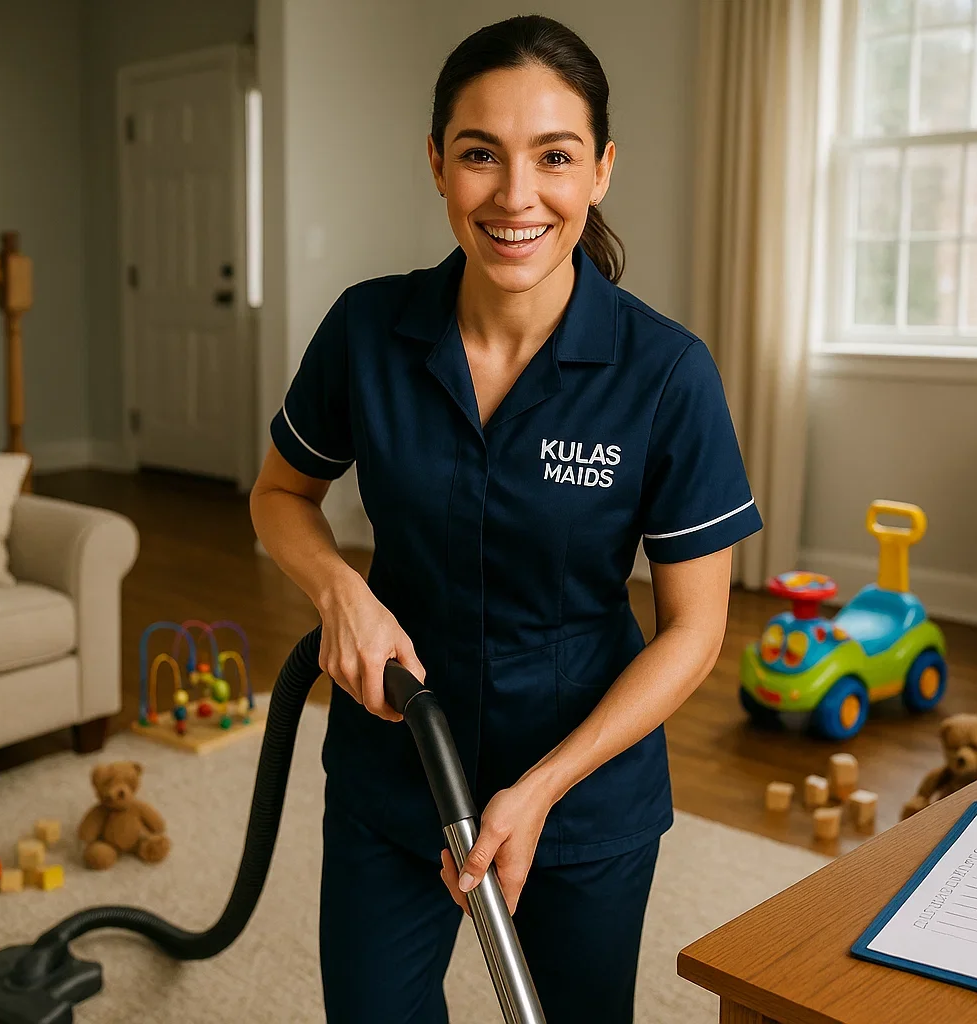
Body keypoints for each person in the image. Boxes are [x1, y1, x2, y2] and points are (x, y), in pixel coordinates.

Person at [249, 14, 762, 1023]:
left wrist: (541, 789)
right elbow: (279, 494)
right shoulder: (367, 331)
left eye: (554, 157)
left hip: (581, 787)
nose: (516, 194)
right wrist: (339, 589)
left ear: (602, 171)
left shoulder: (664, 374)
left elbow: (697, 631)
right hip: (395, 764)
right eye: (480, 154)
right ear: (437, 165)